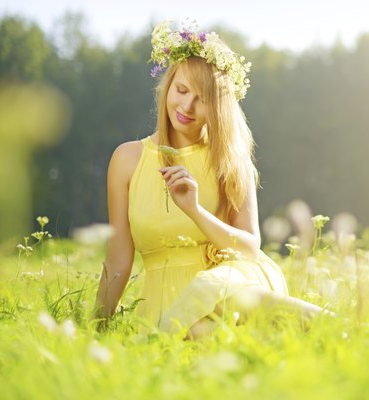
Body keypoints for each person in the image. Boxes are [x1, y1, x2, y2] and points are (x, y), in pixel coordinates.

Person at [94, 19, 328, 339]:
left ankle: (360, 332)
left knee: (300, 320)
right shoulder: (127, 160)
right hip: (164, 305)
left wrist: (194, 210)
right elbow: (118, 258)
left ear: (218, 106)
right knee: (203, 334)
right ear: (167, 84)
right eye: (181, 90)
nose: (186, 106)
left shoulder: (230, 160)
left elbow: (249, 247)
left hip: (228, 285)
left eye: (201, 98)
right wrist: (95, 330)